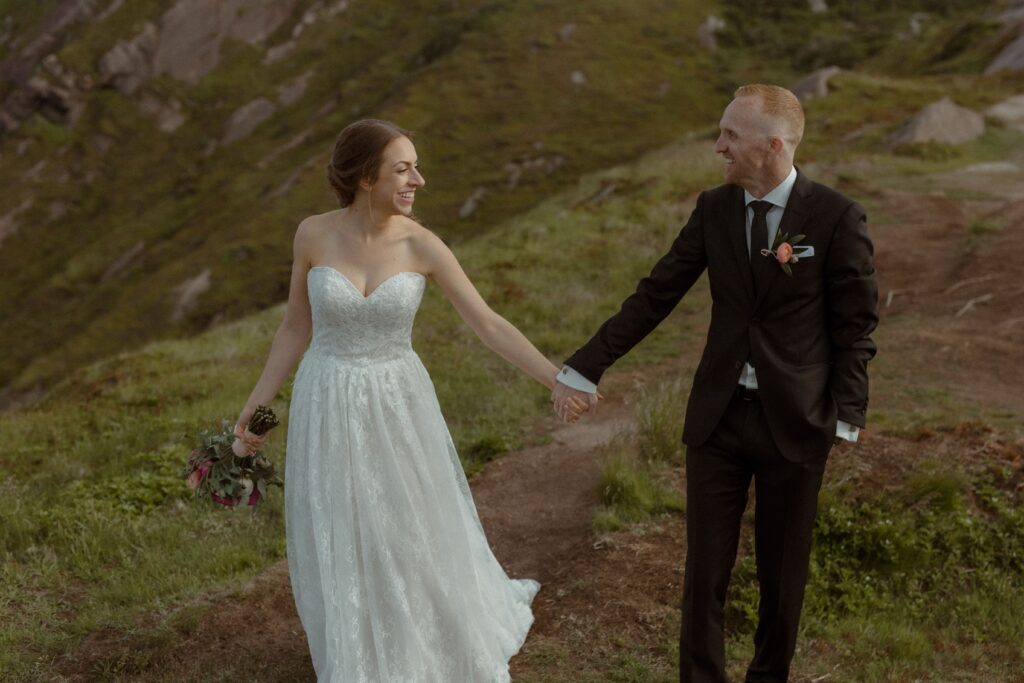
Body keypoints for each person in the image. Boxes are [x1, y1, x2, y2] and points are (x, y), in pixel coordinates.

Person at [552, 84, 879, 682]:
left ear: (773, 145)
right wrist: (585, 366)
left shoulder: (836, 217)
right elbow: (657, 293)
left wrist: (846, 414)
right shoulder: (714, 209)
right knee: (704, 571)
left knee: (783, 574)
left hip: (797, 419)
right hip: (718, 417)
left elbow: (855, 325)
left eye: (730, 135)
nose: (717, 146)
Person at [234, 119, 571, 682]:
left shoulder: (423, 244)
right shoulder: (312, 234)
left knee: (409, 517)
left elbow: (488, 323)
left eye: (414, 166)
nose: (419, 178)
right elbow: (295, 329)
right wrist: (257, 410)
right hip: (327, 398)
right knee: (343, 520)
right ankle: (358, 644)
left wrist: (556, 379)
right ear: (366, 177)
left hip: (397, 400)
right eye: (403, 168)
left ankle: (423, 633)